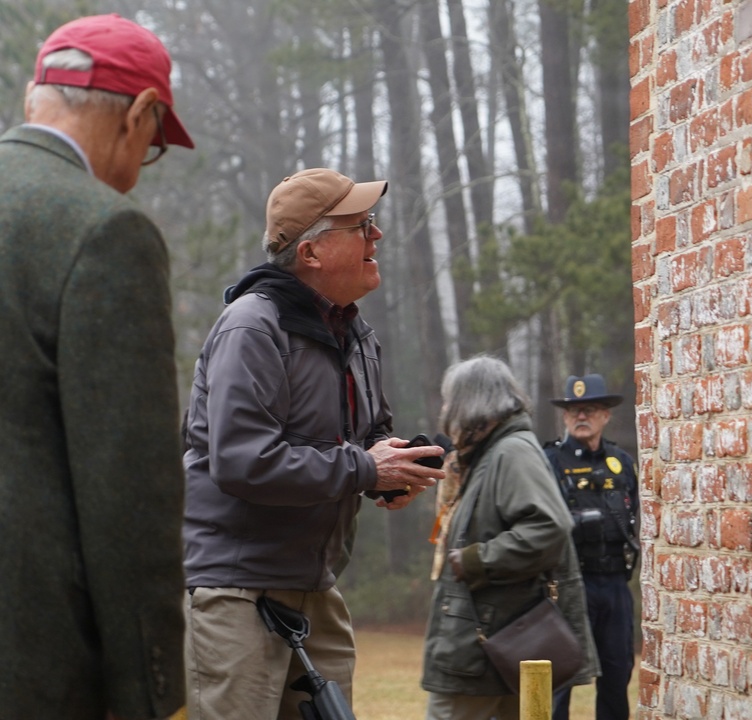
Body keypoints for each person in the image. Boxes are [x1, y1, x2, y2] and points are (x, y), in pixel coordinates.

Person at [182, 167, 445, 720]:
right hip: (237, 590)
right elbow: (242, 463)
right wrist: (363, 470)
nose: (378, 236)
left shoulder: (356, 331)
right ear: (312, 252)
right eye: (362, 225)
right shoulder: (252, 327)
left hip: (316, 587)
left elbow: (366, 436)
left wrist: (394, 464)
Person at [0, 13, 195, 720]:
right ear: (142, 113)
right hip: (37, 671)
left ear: (33, 97)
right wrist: (152, 692)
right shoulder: (103, 232)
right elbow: (129, 497)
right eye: (151, 146)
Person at [421, 355, 598, 720]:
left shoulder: (511, 452)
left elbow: (548, 527)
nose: (446, 409)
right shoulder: (490, 454)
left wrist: (476, 560)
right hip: (483, 646)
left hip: (487, 644)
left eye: (450, 399)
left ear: (472, 402)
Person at [546, 374, 639, 720]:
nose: (581, 416)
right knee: (559, 678)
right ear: (565, 417)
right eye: (574, 411)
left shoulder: (622, 463)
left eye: (591, 409)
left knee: (617, 672)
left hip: (614, 583)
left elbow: (636, 516)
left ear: (606, 415)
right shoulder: (549, 462)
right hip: (567, 585)